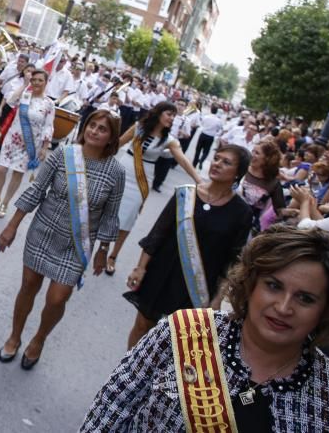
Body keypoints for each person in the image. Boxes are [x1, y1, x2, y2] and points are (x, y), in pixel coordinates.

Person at [82, 225, 329, 432]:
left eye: (305, 298)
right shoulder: (182, 332)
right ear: (250, 283)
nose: (283, 307)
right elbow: (111, 409)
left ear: (327, 309)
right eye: (273, 286)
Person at [0, 109, 126, 368]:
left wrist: (103, 250)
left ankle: (39, 339)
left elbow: (111, 215)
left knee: (58, 298)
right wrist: (12, 225)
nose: (95, 131)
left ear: (112, 137)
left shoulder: (116, 172)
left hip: (76, 244)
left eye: (103, 129)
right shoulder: (64, 155)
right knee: (29, 285)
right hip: (43, 231)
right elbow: (36, 190)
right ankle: (14, 335)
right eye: (92, 125)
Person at [124, 145, 253, 349]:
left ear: (238, 173)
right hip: (162, 272)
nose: (217, 163)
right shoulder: (186, 195)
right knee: (142, 326)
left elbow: (233, 260)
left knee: (178, 341)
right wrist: (141, 268)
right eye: (217, 158)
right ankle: (127, 373)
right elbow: (158, 233)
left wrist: (218, 298)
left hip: (197, 284)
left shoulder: (242, 212)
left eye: (226, 162)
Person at [106, 101, 203, 276]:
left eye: (174, 115)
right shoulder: (139, 127)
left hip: (142, 179)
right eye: (169, 114)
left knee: (127, 218)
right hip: (123, 170)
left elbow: (182, 160)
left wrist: (199, 179)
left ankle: (113, 255)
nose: (172, 118)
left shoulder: (169, 140)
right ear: (158, 113)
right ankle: (103, 246)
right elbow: (117, 145)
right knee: (109, 211)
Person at [0, 68, 55, 218]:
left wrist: (45, 148)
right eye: (34, 79)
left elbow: (48, 126)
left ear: (46, 83)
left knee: (17, 173)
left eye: (40, 80)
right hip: (13, 138)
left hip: (30, 144)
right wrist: (24, 85)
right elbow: (11, 101)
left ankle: (5, 203)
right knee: (1, 169)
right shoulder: (24, 96)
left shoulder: (49, 103)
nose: (37, 83)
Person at [240, 139, 286, 234]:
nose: (252, 154)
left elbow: (280, 210)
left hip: (245, 226)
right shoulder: (241, 168)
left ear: (267, 159)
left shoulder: (273, 183)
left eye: (257, 153)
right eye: (253, 151)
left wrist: (295, 210)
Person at [192, 105, 224, 169]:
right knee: (206, 151)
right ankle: (201, 160)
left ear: (211, 110)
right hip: (210, 136)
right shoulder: (218, 120)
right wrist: (217, 133)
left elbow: (202, 123)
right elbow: (221, 129)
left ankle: (194, 163)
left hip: (203, 134)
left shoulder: (206, 117)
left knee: (198, 149)